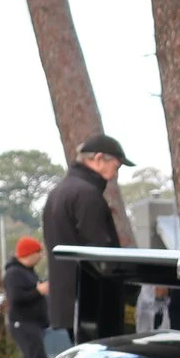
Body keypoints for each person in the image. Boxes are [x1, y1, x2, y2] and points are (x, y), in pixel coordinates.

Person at [41, 134, 130, 344]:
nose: (113, 175)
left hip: (69, 300)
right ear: (98, 158)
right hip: (93, 303)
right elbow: (100, 251)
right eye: (115, 167)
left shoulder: (58, 193)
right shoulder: (87, 194)